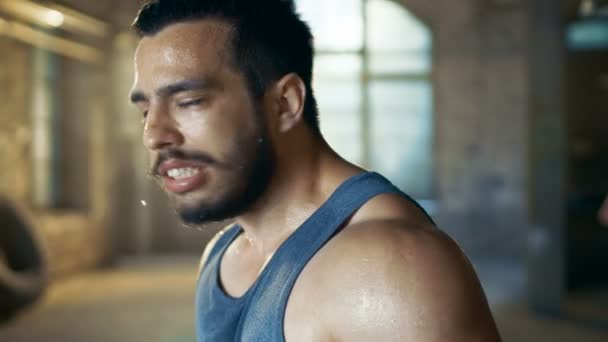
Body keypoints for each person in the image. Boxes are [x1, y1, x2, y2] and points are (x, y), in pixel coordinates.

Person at [129, 0, 501, 341]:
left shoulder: (392, 269)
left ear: (285, 103)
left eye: (189, 101)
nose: (154, 135)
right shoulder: (223, 254)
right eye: (146, 110)